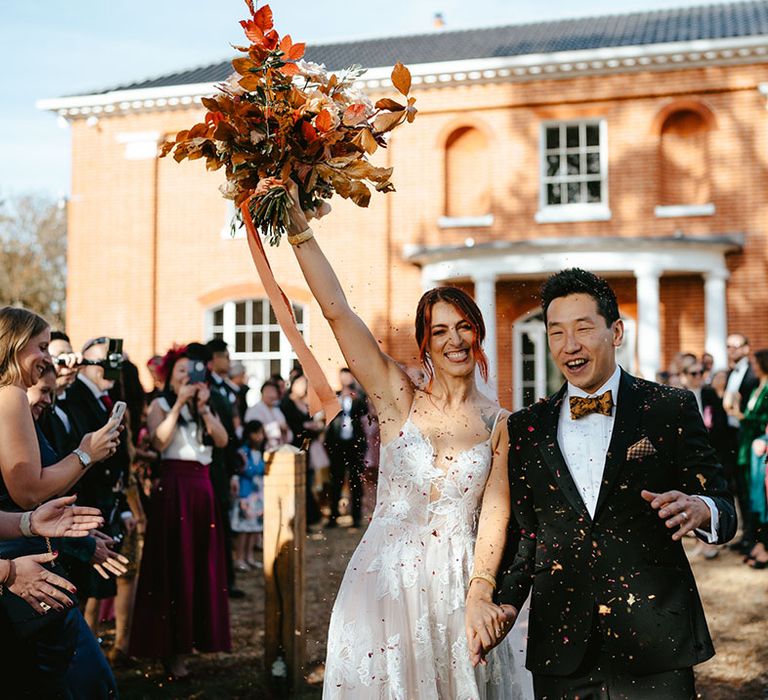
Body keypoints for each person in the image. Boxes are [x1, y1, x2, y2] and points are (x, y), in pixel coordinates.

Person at [281, 186, 529, 698]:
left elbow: (497, 518)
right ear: (426, 342)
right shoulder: (398, 398)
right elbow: (338, 314)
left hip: (459, 582)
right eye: (440, 332)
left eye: (463, 328)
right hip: (385, 580)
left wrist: (481, 588)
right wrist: (299, 231)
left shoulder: (501, 422)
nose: (454, 340)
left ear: (478, 334)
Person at [475, 269, 736, 700]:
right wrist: (504, 603)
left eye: (582, 328)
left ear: (615, 332)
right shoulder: (526, 429)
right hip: (562, 651)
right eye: (556, 332)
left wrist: (702, 508)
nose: (569, 345)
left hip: (657, 642)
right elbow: (527, 536)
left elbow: (725, 508)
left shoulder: (668, 408)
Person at [0, 306, 120, 697]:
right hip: (21, 571)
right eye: (42, 347)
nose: (49, 359)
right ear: (14, 346)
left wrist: (30, 523)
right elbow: (28, 490)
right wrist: (86, 454)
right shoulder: (10, 397)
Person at [129, 345, 231, 680]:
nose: (188, 376)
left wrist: (201, 409)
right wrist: (178, 405)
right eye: (182, 371)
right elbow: (158, 443)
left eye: (193, 371)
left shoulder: (207, 404)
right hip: (173, 489)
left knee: (199, 565)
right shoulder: (160, 404)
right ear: (171, 376)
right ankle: (169, 650)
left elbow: (222, 440)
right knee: (173, 565)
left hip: (202, 489)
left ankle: (196, 639)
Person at [63, 336, 133, 632]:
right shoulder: (74, 396)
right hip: (83, 505)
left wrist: (125, 506)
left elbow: (120, 457)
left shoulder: (104, 398)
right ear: (88, 363)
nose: (113, 368)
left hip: (106, 502)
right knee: (81, 587)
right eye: (107, 360)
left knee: (97, 587)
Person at [724, 333, 759, 553]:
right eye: (729, 346)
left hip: (748, 436)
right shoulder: (728, 374)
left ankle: (755, 538)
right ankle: (746, 534)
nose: (732, 350)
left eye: (736, 346)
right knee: (737, 488)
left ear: (746, 349)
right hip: (730, 438)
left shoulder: (754, 375)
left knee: (748, 487)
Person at [733, 349, 768, 568]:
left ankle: (763, 546)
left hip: (762, 446)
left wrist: (742, 416)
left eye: (755, 363)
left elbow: (761, 417)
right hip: (751, 446)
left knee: (762, 497)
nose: (752, 367)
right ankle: (759, 543)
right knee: (754, 496)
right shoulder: (758, 387)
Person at [324, 370, 369, 529]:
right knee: (336, 481)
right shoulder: (335, 396)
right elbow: (328, 416)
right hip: (337, 444)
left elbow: (366, 412)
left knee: (355, 481)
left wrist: (357, 397)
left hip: (354, 443)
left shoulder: (359, 395)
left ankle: (356, 517)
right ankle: (333, 516)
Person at [280, 373, 324, 526]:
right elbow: (290, 426)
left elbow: (309, 429)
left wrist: (313, 429)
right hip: (290, 447)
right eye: (300, 383)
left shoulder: (306, 404)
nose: (303, 386)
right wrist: (305, 427)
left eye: (305, 384)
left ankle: (306, 518)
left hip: (305, 448)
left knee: (307, 482)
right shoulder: (286, 403)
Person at [231, 420, 266, 571]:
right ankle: (239, 558)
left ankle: (249, 557)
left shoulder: (262, 452)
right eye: (255, 432)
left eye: (261, 433)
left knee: (254, 529)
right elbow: (248, 470)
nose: (259, 436)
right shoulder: (242, 452)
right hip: (245, 494)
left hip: (257, 495)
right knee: (243, 530)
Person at [244, 380, 291, 451]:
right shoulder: (254, 410)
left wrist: (285, 429)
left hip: (279, 450)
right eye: (268, 392)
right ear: (262, 393)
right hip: (261, 449)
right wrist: (278, 427)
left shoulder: (277, 411)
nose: (271, 395)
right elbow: (253, 431)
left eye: (273, 391)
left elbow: (287, 431)